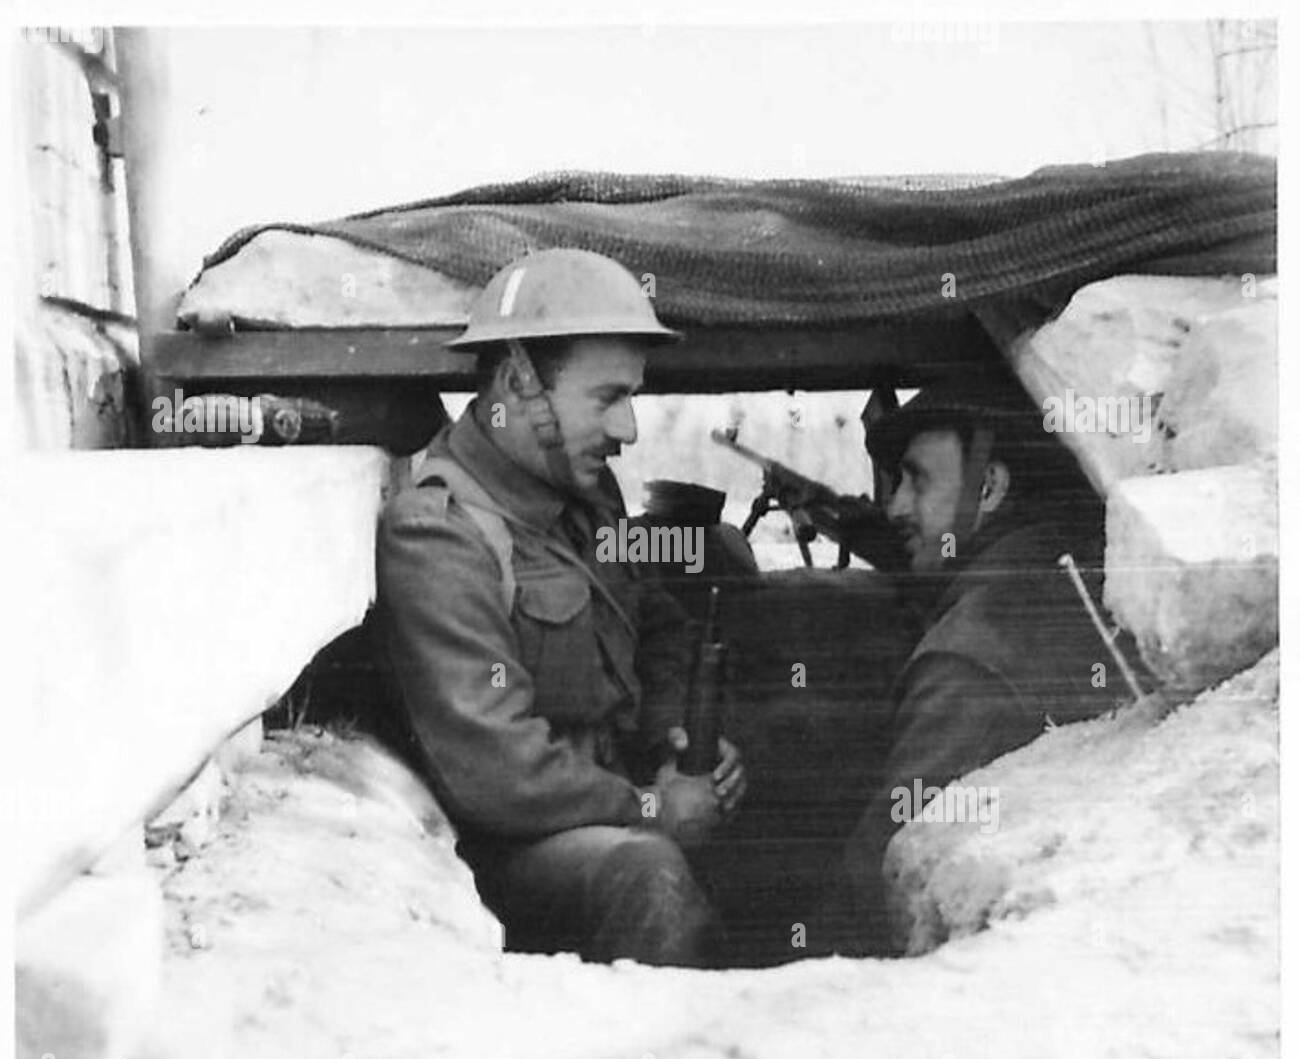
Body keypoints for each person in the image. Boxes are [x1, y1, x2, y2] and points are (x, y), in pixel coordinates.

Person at [376, 248, 746, 967]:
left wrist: (680, 737)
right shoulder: (439, 534)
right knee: (650, 875)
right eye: (607, 398)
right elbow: (499, 772)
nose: (630, 429)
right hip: (511, 849)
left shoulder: (584, 501)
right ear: (518, 383)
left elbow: (657, 627)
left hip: (608, 806)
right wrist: (651, 806)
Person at [827, 374, 1138, 954]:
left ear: (989, 486)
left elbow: (880, 870)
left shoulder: (965, 660)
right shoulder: (1092, 572)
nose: (894, 506)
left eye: (916, 480)